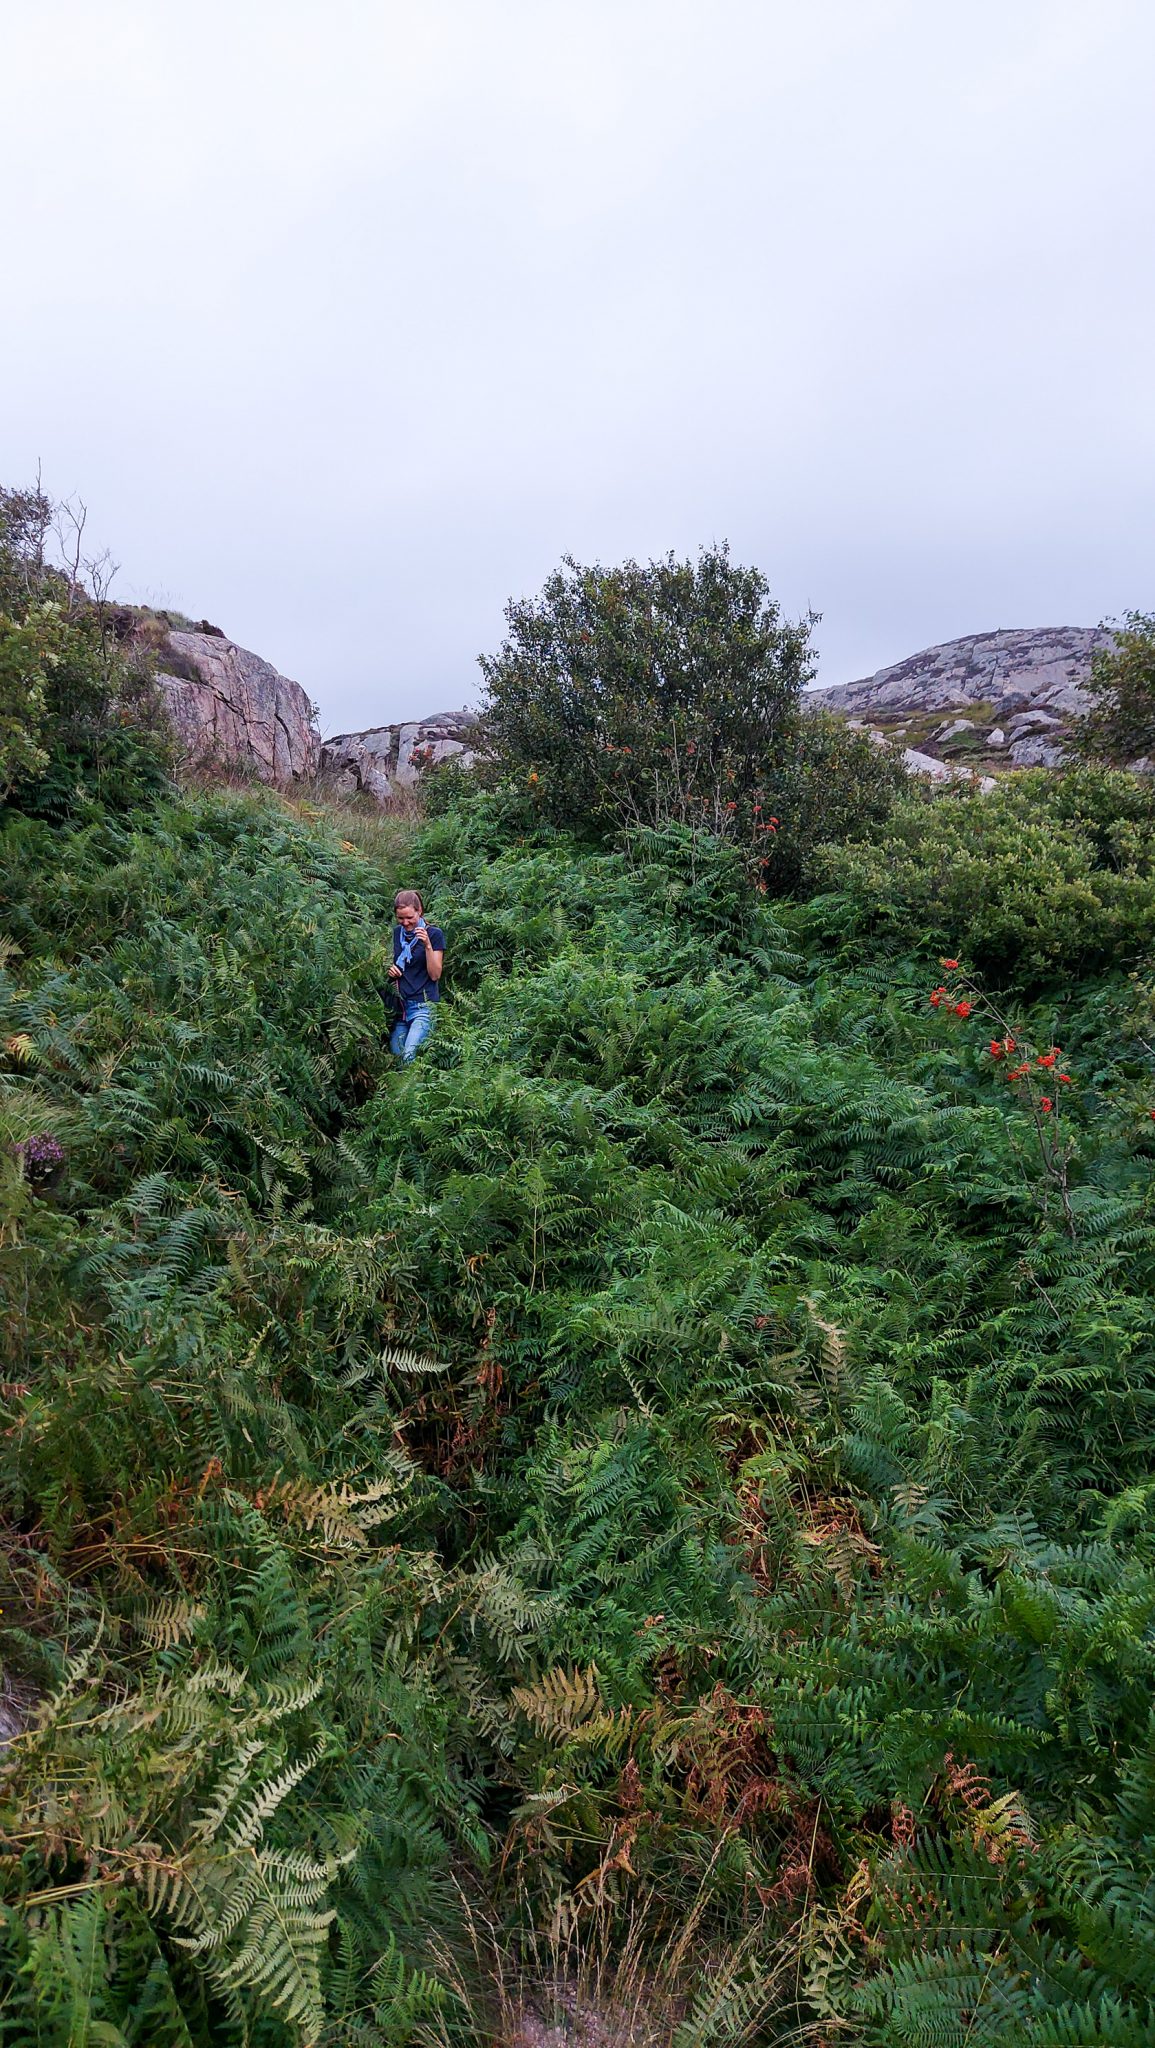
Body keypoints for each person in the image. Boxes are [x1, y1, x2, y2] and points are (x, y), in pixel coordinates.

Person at [386, 889, 445, 1063]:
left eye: (410, 917)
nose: (405, 923)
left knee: (409, 1057)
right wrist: (392, 971)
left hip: (423, 1007)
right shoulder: (398, 933)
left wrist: (427, 945)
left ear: (419, 912)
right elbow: (397, 963)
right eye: (400, 918)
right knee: (397, 1059)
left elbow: (435, 975)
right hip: (401, 1008)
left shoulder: (434, 934)